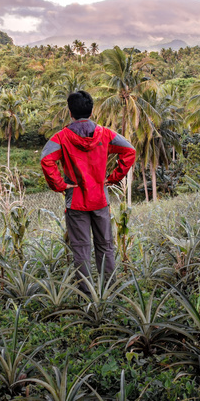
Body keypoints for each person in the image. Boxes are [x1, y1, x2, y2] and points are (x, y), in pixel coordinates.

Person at [40, 90, 136, 291]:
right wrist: (114, 177)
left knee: (81, 250)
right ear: (91, 112)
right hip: (101, 199)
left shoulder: (61, 137)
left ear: (70, 113)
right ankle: (109, 290)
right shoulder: (106, 134)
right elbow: (129, 151)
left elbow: (46, 160)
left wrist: (60, 185)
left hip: (76, 201)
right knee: (105, 246)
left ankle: (86, 295)